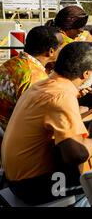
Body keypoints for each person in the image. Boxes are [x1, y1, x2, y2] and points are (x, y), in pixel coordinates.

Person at [1, 42, 92, 205]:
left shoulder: (42, 85)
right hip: (32, 186)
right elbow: (75, 154)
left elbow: (59, 126)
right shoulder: (61, 96)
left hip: (15, 177)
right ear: (86, 74)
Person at [0, 26, 63, 154]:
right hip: (16, 143)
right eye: (61, 46)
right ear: (51, 51)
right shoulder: (35, 77)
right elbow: (35, 121)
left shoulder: (12, 63)